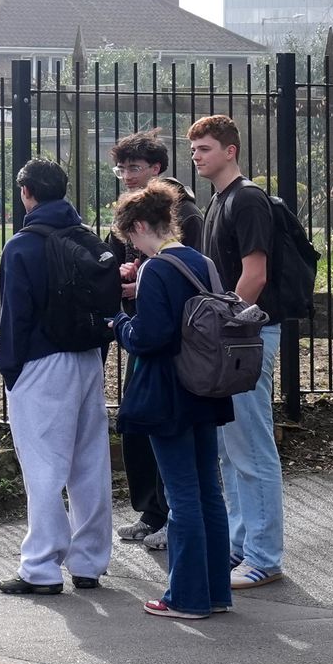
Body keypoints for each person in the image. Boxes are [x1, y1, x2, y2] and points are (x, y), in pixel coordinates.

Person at [112, 180, 236, 619]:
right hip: (206, 387)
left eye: (131, 238)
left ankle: (185, 597)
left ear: (141, 226)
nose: (133, 247)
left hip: (168, 393)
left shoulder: (156, 268)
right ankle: (216, 592)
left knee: (181, 495)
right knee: (208, 493)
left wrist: (118, 324)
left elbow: (151, 337)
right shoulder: (202, 262)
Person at [0, 158, 114, 596]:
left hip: (41, 362)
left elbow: (15, 316)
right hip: (87, 357)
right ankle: (90, 562)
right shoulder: (88, 239)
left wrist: (11, 370)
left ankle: (41, 566)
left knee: (44, 465)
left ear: (26, 193)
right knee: (90, 462)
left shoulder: (23, 245)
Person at [189, 114, 287, 591]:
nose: (196, 155)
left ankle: (263, 556)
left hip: (246, 337)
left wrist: (223, 329)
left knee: (250, 447)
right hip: (236, 337)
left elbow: (255, 275)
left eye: (205, 148)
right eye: (194, 149)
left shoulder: (245, 199)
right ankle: (240, 545)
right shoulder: (219, 200)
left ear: (231, 150)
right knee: (231, 449)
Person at [106, 130, 205, 551]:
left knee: (169, 429)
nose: (127, 175)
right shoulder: (130, 214)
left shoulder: (185, 215)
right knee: (138, 425)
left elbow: (187, 275)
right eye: (122, 168)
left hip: (170, 339)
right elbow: (114, 261)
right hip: (142, 327)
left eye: (135, 167)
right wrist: (122, 279)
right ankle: (152, 512)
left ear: (156, 169)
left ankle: (172, 517)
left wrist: (142, 287)